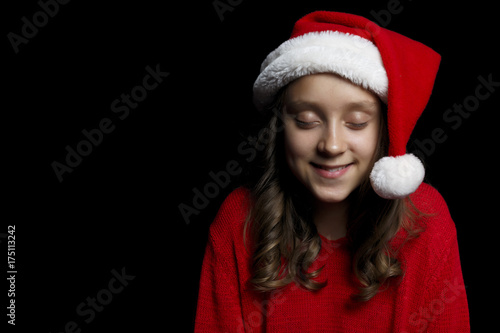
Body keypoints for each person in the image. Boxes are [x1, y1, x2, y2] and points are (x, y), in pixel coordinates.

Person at [195, 11, 470, 332]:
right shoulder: (238, 219)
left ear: (384, 131)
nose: (332, 145)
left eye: (356, 123)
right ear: (281, 128)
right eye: (307, 121)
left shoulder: (427, 218)